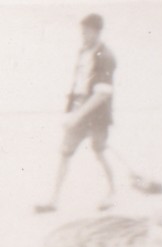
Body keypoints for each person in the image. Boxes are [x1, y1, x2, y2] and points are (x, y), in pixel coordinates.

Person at [36, 13, 118, 213]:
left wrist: (77, 116)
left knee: (99, 152)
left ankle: (112, 193)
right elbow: (79, 86)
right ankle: (53, 200)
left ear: (97, 32)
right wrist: (71, 112)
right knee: (65, 153)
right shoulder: (83, 53)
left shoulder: (106, 57)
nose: (83, 36)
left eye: (87, 32)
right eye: (82, 32)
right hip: (79, 111)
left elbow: (102, 94)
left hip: (97, 115)